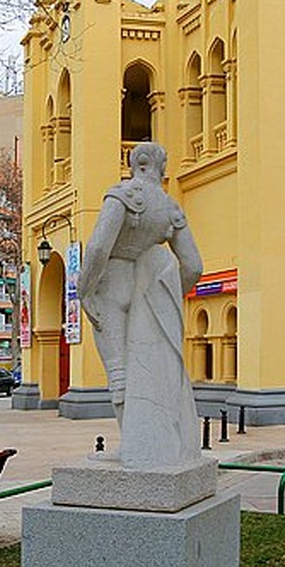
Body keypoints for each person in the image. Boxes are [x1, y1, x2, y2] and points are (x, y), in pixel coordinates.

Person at [77, 142, 203, 471]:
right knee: (147, 369)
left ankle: (134, 446)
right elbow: (193, 266)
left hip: (111, 287)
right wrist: (171, 294)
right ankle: (147, 443)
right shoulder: (170, 208)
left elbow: (98, 246)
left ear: (135, 164)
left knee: (120, 372)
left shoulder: (123, 195)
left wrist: (84, 289)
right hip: (147, 290)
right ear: (161, 167)